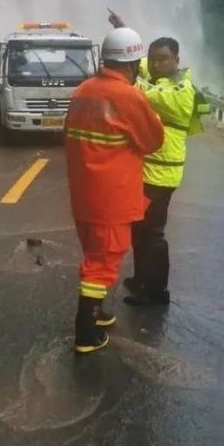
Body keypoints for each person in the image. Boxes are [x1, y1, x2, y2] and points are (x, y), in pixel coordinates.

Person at [65, 27, 164, 354]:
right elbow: (153, 140)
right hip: (112, 196)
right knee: (104, 261)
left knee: (95, 253)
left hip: (84, 194)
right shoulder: (129, 96)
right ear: (133, 65)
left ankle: (99, 312)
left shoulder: (82, 91)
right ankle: (86, 332)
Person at [107, 13, 209, 306]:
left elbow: (145, 91)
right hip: (148, 171)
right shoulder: (160, 77)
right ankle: (142, 279)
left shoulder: (180, 89)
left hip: (161, 176)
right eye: (152, 59)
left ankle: (156, 292)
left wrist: (119, 77)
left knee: (152, 233)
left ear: (176, 59)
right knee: (140, 230)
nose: (154, 64)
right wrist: (123, 31)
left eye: (162, 59)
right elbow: (138, 67)